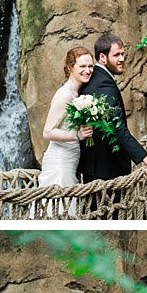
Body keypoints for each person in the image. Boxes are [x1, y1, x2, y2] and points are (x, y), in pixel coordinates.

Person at [76, 33, 147, 190]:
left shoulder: (96, 78)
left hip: (98, 169)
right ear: (102, 57)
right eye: (117, 55)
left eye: (123, 54)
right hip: (106, 172)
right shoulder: (103, 85)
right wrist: (146, 158)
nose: (122, 59)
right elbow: (117, 127)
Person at [34, 47, 96, 217]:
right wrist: (77, 136)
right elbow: (47, 132)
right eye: (82, 66)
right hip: (60, 163)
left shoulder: (78, 93)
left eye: (90, 66)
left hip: (71, 160)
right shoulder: (65, 95)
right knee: (58, 211)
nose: (88, 70)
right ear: (70, 68)